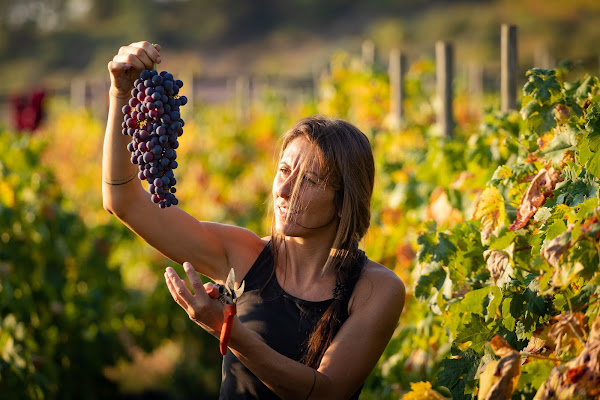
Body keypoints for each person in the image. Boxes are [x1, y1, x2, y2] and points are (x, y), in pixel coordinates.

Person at [103, 41, 405, 399]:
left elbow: (325, 393)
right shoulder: (243, 254)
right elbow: (123, 201)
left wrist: (227, 329)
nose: (285, 189)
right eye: (284, 170)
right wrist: (120, 95)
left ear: (344, 201)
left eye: (309, 180)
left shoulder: (376, 288)